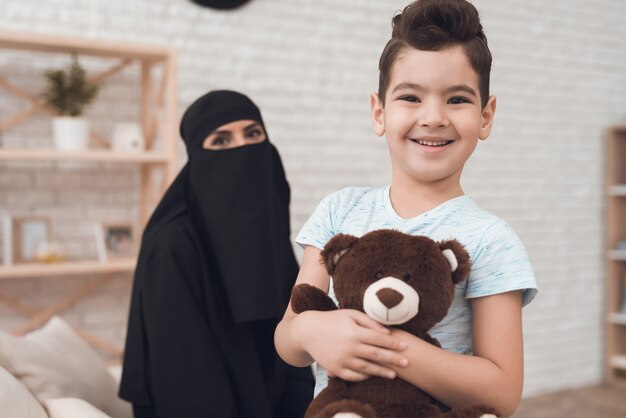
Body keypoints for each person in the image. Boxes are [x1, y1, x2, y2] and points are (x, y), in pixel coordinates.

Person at [274, 1, 538, 417]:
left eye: (457, 99)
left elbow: (501, 390)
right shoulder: (338, 211)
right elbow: (288, 341)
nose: (433, 117)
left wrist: (386, 347)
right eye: (411, 97)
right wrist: (310, 328)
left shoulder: (491, 239)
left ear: (486, 117)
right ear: (380, 112)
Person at [119, 90, 314, 418]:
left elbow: (292, 342)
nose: (241, 149)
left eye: (253, 134)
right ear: (197, 156)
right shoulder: (170, 247)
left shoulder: (266, 229)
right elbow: (186, 386)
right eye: (221, 141)